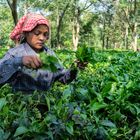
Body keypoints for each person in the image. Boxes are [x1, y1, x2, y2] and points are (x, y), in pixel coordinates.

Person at [0, 13, 85, 92]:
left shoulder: (49, 54)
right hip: (20, 105)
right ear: (26, 33)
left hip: (48, 104)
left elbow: (61, 79)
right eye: (37, 33)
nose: (42, 38)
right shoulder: (14, 53)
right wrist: (20, 61)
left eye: (45, 34)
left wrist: (75, 69)